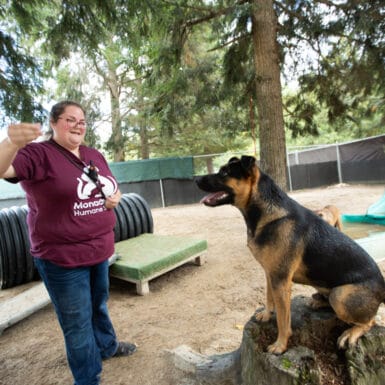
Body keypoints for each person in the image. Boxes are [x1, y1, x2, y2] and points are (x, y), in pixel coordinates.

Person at [0, 100, 136, 385]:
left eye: (82, 121)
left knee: (99, 305)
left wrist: (116, 199)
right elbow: (2, 169)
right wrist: (10, 142)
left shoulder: (92, 153)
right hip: (62, 259)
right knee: (77, 324)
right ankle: (88, 379)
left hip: (99, 250)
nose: (78, 125)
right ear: (54, 122)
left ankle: (107, 346)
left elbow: (112, 186)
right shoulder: (37, 154)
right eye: (70, 119)